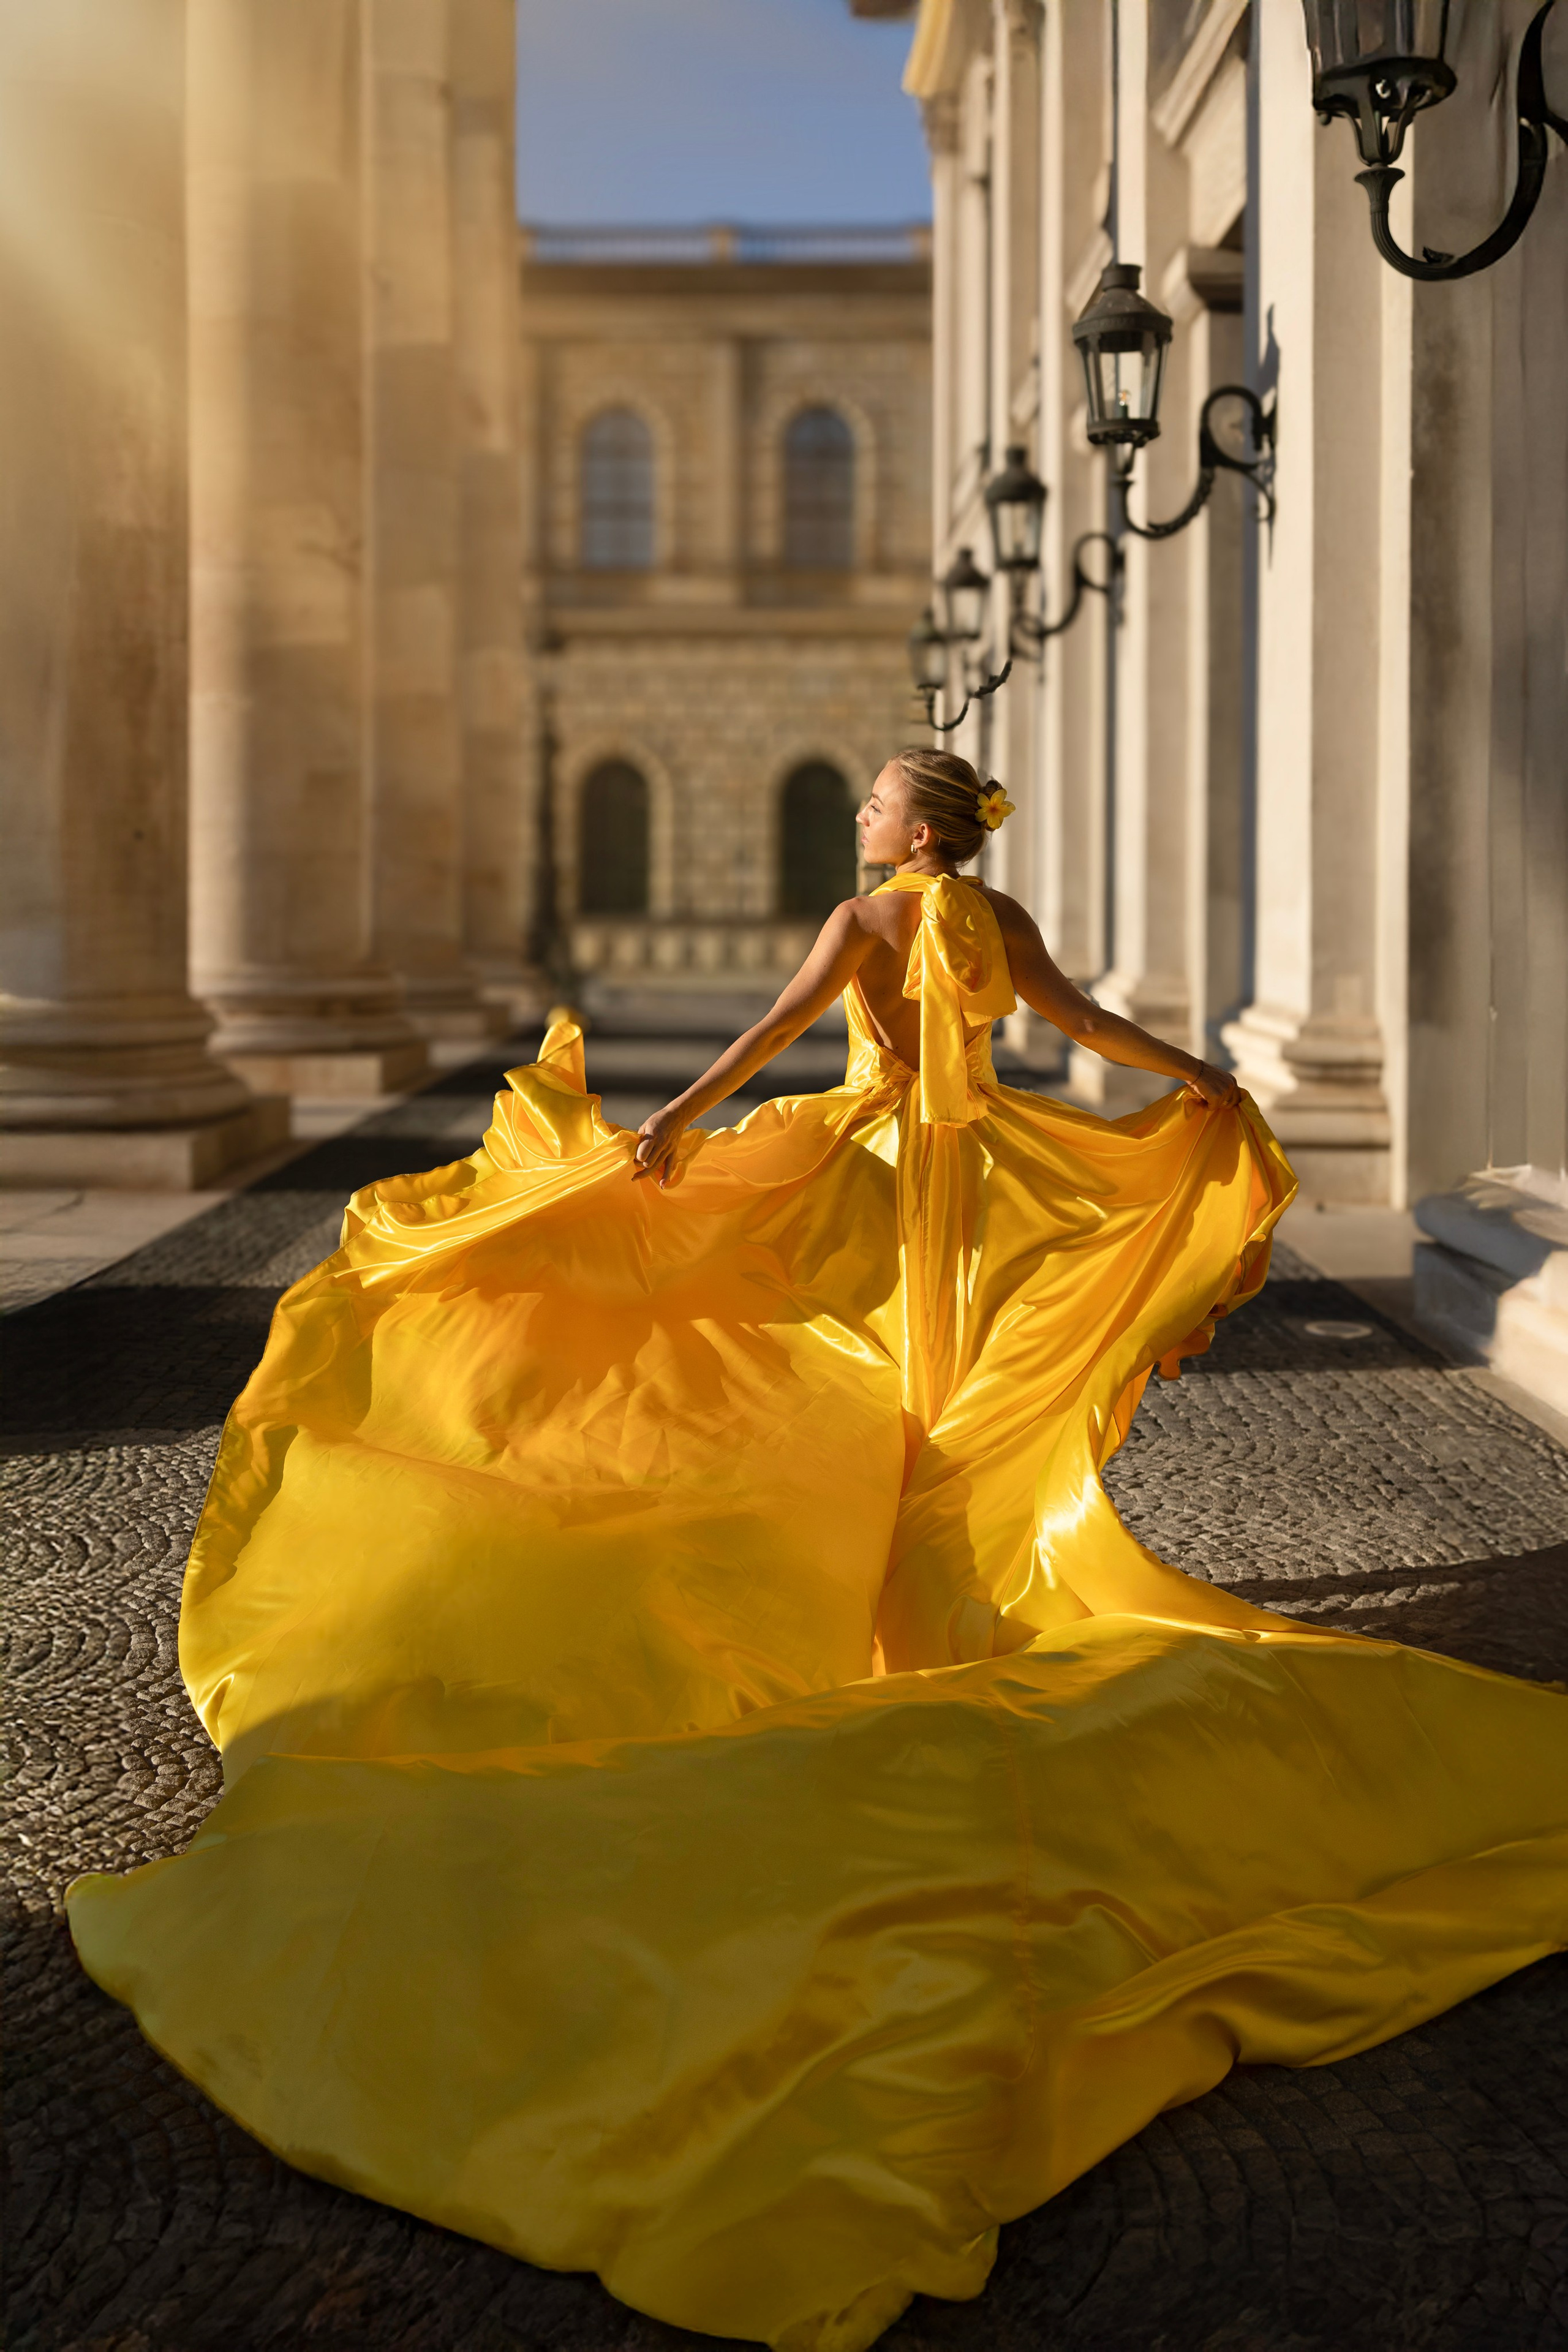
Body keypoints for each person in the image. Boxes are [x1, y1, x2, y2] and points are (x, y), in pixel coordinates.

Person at [69, 747, 1567, 2352]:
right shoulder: (991, 915)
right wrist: (1203, 1090)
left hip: (865, 1171)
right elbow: (1084, 1036)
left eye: (869, 805)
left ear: (909, 829)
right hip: (969, 1189)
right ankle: (930, 1601)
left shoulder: (868, 920)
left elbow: (774, 1033)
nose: (856, 822)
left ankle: (852, 1594)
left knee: (781, 1363)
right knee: (932, 1411)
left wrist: (676, 1127)